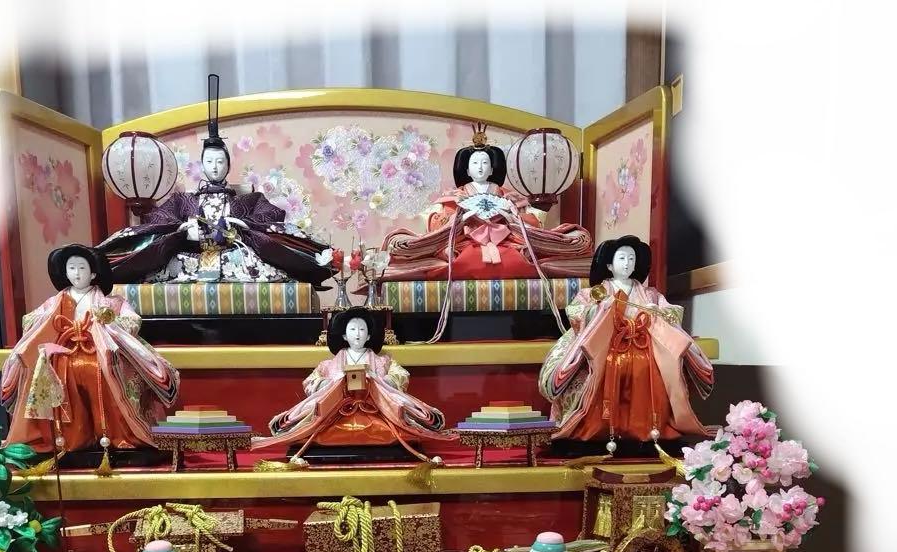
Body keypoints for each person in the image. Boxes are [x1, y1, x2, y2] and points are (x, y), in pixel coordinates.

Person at [98, 75, 333, 288]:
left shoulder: (249, 199)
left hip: (234, 255)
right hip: (191, 257)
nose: (215, 167)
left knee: (259, 264)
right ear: (202, 164)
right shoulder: (183, 200)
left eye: (220, 161)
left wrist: (242, 225)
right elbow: (159, 219)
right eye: (209, 161)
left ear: (228, 165)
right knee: (167, 264)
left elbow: (271, 215)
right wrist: (182, 229)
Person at [0, 244, 180, 454]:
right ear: (65, 272)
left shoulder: (111, 302)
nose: (76, 273)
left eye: (82, 268)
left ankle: (114, 434)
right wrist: (48, 323)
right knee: (53, 372)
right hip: (63, 350)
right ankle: (70, 439)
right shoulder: (54, 302)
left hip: (98, 350)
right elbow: (30, 321)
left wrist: (108, 323)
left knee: (103, 371)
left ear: (93, 273)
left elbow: (132, 320)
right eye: (72, 268)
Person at [538, 235, 714, 447]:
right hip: (605, 345)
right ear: (609, 265)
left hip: (643, 342)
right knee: (601, 368)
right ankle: (597, 430)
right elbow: (576, 312)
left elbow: (672, 313)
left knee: (653, 368)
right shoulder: (595, 292)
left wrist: (657, 312)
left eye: (631, 258)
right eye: (622, 258)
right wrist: (601, 310)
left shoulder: (650, 294)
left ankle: (647, 430)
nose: (627, 263)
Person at [380, 123, 592, 282]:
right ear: (466, 168)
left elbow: (533, 222)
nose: (480, 167)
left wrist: (511, 217)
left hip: (506, 240)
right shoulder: (454, 196)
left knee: (520, 256)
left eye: (485, 163)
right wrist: (460, 218)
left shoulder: (508, 197)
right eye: (475, 163)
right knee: (458, 257)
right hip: (466, 241)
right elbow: (435, 223)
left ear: (492, 168)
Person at [252, 308, 453, 462]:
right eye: (353, 329)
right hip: (336, 412)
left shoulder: (383, 361)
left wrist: (377, 379)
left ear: (369, 335)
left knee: (397, 424)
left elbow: (401, 375)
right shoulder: (328, 365)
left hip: (377, 410)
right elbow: (310, 382)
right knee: (315, 424)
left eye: (362, 329)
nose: (358, 333)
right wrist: (332, 382)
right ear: (344, 335)